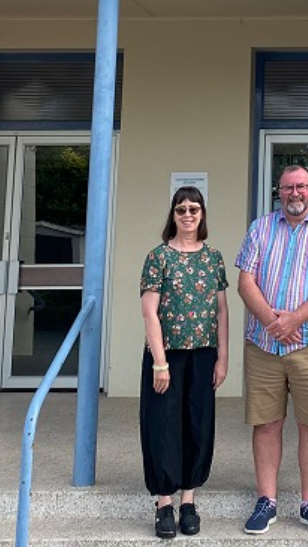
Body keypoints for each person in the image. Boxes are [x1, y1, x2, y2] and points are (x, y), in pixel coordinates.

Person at [236, 165, 308, 536]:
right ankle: (266, 500)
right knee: (266, 423)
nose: (295, 193)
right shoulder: (260, 227)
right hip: (264, 344)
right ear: (279, 192)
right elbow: (245, 281)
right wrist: (275, 321)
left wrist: (294, 321)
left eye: (301, 186)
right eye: (288, 187)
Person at [139, 186, 230, 539]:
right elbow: (149, 311)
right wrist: (160, 362)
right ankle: (164, 502)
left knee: (198, 423)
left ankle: (189, 499)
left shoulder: (213, 258)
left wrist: (222, 358)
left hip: (203, 355)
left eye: (194, 208)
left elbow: (221, 310)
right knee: (163, 425)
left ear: (203, 213)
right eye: (181, 209)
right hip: (168, 356)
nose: (188, 215)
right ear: (173, 215)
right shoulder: (158, 256)